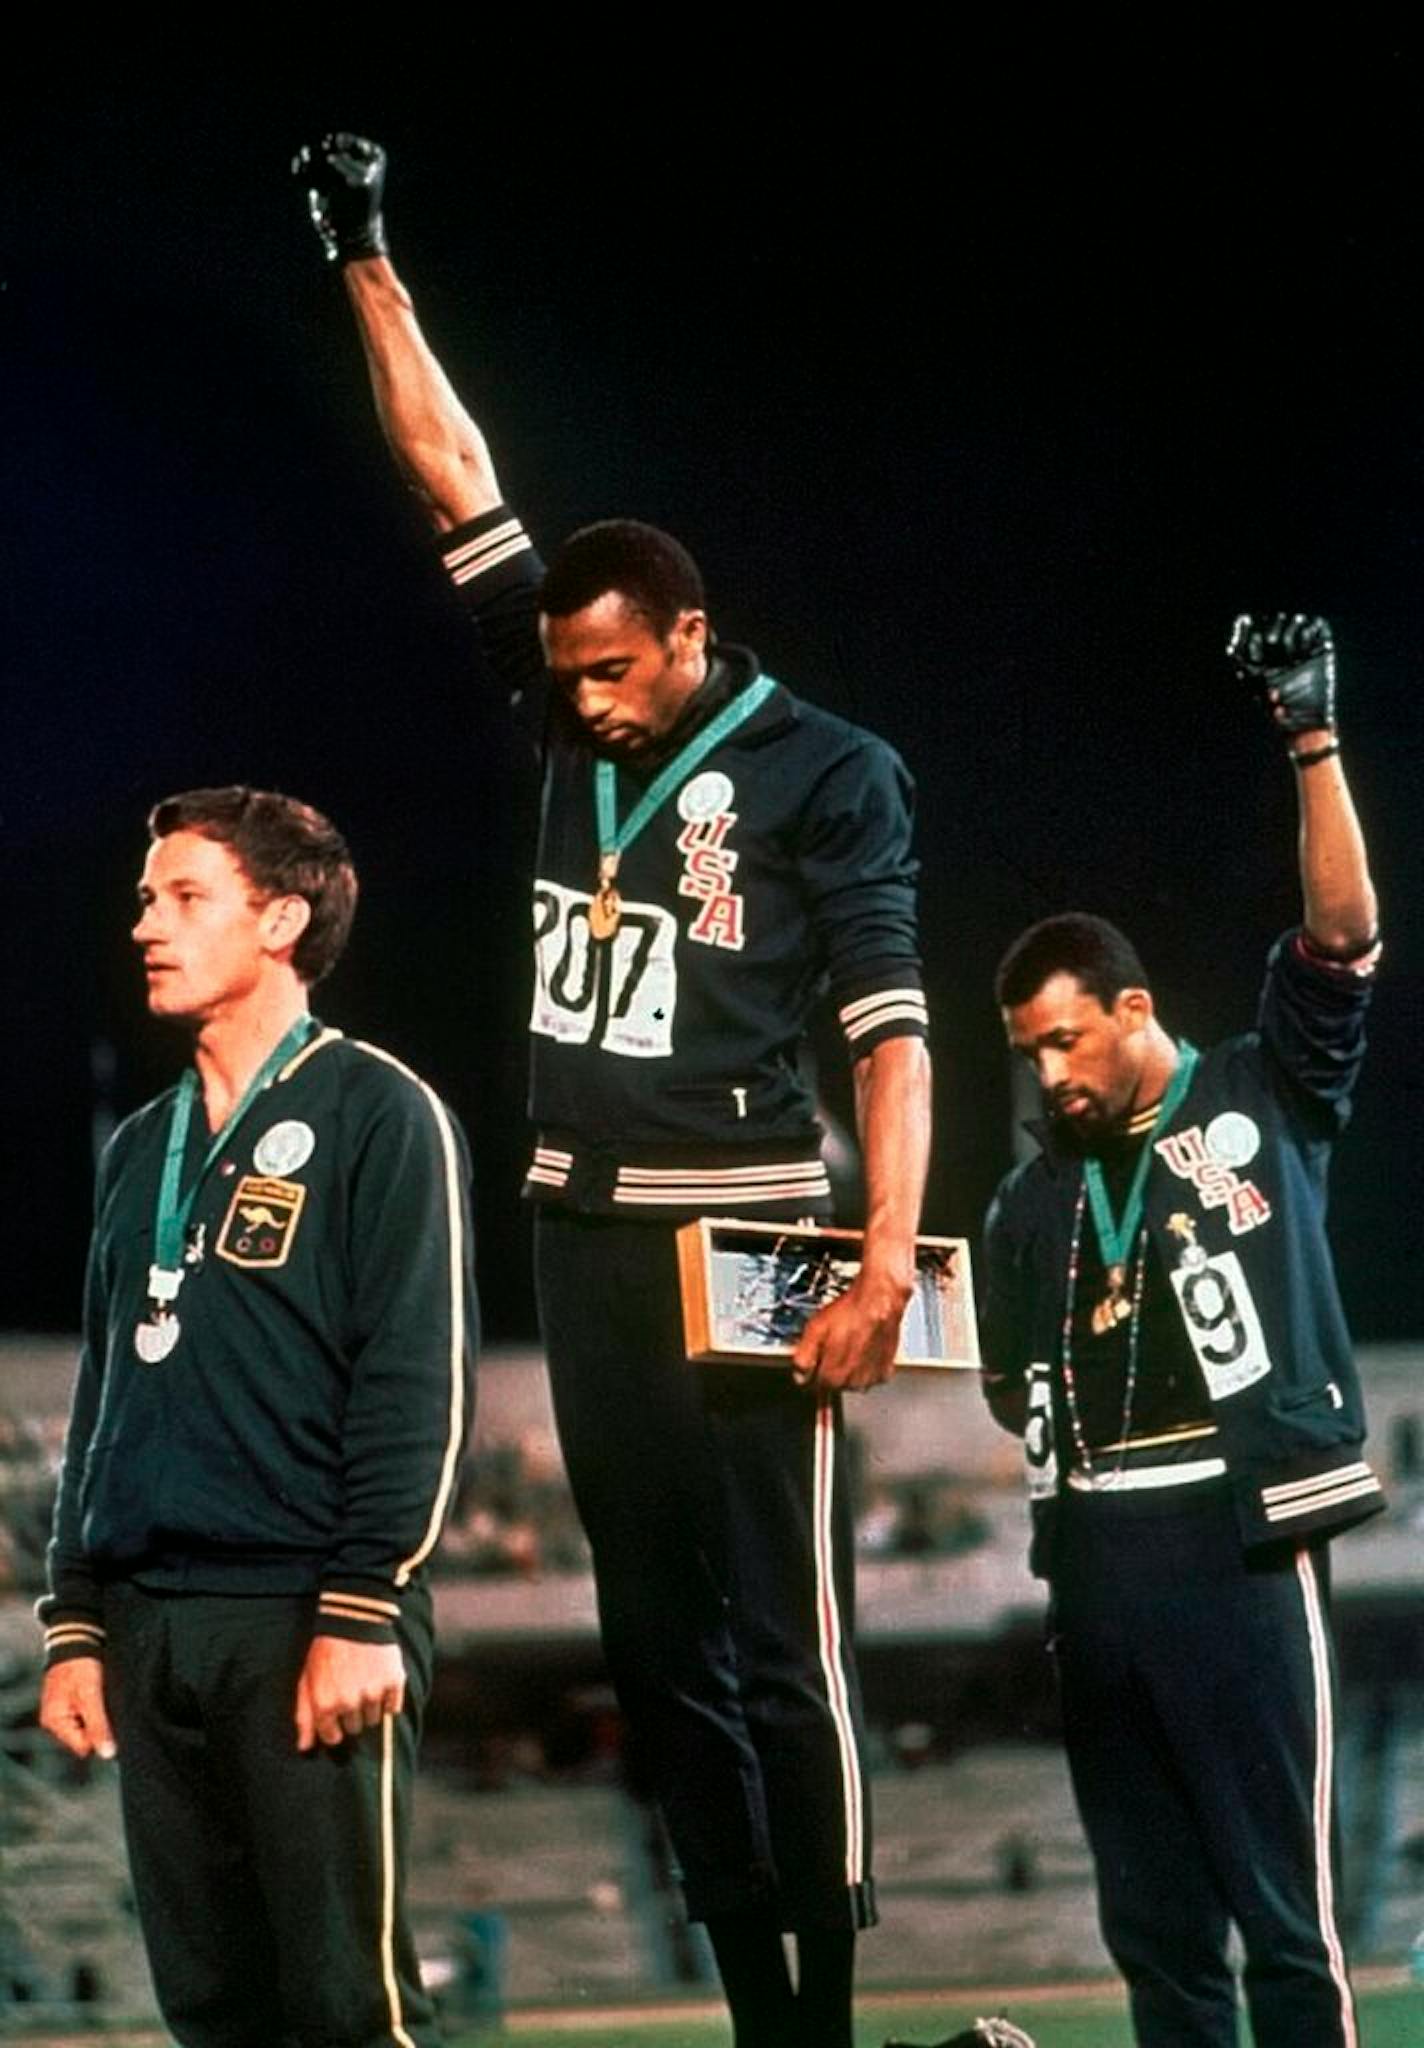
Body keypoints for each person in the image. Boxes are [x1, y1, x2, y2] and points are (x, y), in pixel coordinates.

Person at [294, 135, 933, 2048]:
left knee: (783, 1648)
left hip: (746, 1237)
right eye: (556, 675)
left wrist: (882, 1254)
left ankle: (824, 2012)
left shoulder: (830, 771)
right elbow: (455, 479)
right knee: (659, 1658)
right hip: (581, 1232)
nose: (570, 703)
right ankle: (753, 2013)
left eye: (602, 674)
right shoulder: (565, 686)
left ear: (681, 636)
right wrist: (365, 257)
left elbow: (889, 1029)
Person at [980, 615, 1382, 2048]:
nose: (1048, 1071)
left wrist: (1311, 737)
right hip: (1089, 1560)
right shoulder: (1028, 1202)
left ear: (1134, 1010)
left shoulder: (1257, 1096)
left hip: (1236, 1538)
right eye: (1028, 1049)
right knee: (1153, 1934)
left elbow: (1341, 941)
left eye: (1066, 1040)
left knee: (1283, 1921)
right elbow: (995, 1382)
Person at [38, 786, 477, 2048]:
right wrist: (75, 1620)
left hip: (302, 1616)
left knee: (349, 2009)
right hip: (145, 1623)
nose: (145, 926)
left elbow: (413, 1379)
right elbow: (103, 1393)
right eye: (143, 898)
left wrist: (361, 1604)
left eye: (184, 897)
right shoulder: (139, 1149)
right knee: (214, 2011)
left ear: (281, 918)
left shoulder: (379, 1113)